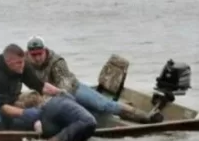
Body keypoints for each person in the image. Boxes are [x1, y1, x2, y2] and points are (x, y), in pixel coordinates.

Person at [24, 36, 161, 124]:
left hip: (72, 89)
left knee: (103, 105)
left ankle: (144, 116)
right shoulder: (24, 62)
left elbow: (64, 85)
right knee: (94, 115)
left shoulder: (56, 62)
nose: (37, 58)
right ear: (28, 53)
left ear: (45, 50)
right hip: (50, 97)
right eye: (33, 55)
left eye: (39, 54)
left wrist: (50, 98)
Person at [0, 43, 63, 130]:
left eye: (23, 61)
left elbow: (41, 86)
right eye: (19, 63)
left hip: (3, 101)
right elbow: (2, 106)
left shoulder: (22, 67)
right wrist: (25, 113)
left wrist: (61, 93)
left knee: (34, 97)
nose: (22, 65)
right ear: (8, 62)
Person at [13, 90, 97, 141]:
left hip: (80, 122)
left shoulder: (43, 111)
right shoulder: (62, 98)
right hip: (90, 123)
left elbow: (45, 130)